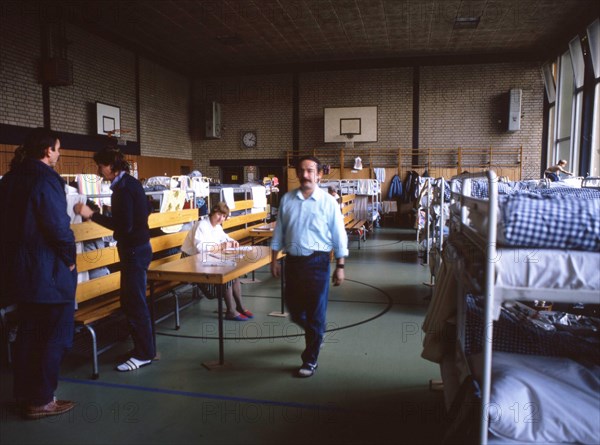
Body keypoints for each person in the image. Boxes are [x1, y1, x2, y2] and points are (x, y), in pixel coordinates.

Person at [0, 128, 77, 418]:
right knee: (53, 336)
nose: (58, 154)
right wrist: (69, 259)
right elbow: (59, 228)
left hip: (19, 274)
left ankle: (24, 395)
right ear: (47, 151)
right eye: (57, 149)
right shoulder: (47, 180)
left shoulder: (10, 178)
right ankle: (42, 399)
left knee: (27, 337)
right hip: (48, 274)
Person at [74, 147, 155, 372]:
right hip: (139, 248)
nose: (99, 171)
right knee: (130, 301)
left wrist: (93, 215)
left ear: (111, 165)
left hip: (133, 252)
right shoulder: (130, 182)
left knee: (135, 303)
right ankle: (143, 348)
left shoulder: (122, 189)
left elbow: (123, 226)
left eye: (100, 166)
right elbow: (146, 209)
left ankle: (144, 354)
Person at [270, 156, 349, 378]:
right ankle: (317, 334)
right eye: (302, 171)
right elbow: (279, 232)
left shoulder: (328, 202)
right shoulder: (287, 200)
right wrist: (274, 259)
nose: (305, 175)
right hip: (293, 262)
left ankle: (310, 359)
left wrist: (340, 265)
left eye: (310, 171)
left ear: (319, 174)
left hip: (318, 263)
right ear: (297, 173)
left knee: (315, 313)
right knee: (294, 310)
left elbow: (339, 235)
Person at [181, 202, 253, 321]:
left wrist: (232, 241)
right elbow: (201, 249)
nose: (221, 218)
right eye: (219, 214)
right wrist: (222, 246)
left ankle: (240, 307)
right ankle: (230, 311)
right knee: (225, 273)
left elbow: (225, 238)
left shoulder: (217, 226)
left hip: (204, 259)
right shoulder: (202, 225)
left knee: (233, 272)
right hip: (189, 261)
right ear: (213, 212)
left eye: (224, 216)